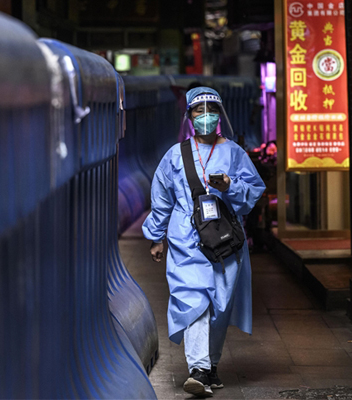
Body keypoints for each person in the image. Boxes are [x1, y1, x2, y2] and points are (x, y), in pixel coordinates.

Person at [142, 87, 266, 397]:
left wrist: (230, 185)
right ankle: (197, 368)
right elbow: (161, 197)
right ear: (189, 116)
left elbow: (253, 192)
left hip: (225, 240)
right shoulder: (176, 155)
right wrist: (157, 236)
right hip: (185, 238)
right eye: (199, 110)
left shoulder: (236, 153)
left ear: (221, 114)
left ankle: (210, 366)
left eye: (212, 108)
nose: (206, 115)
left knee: (220, 307)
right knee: (193, 299)